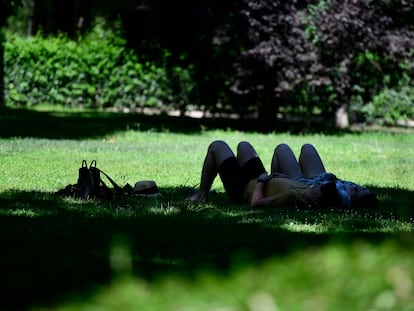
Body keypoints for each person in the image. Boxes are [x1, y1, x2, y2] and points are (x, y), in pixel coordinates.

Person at [187, 140, 342, 208]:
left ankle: (201, 195)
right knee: (244, 146)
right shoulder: (306, 190)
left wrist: (261, 182)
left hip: (243, 189)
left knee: (217, 146)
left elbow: (257, 203)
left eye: (319, 189)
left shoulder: (292, 197)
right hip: (260, 177)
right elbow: (288, 184)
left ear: (316, 199)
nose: (317, 186)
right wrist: (278, 177)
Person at [270, 143, 378, 208]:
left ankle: (273, 185)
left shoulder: (339, 198)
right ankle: (275, 182)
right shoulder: (345, 191)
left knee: (282, 149)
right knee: (308, 148)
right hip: (319, 177)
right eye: (361, 188)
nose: (356, 186)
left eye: (356, 191)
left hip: (304, 185)